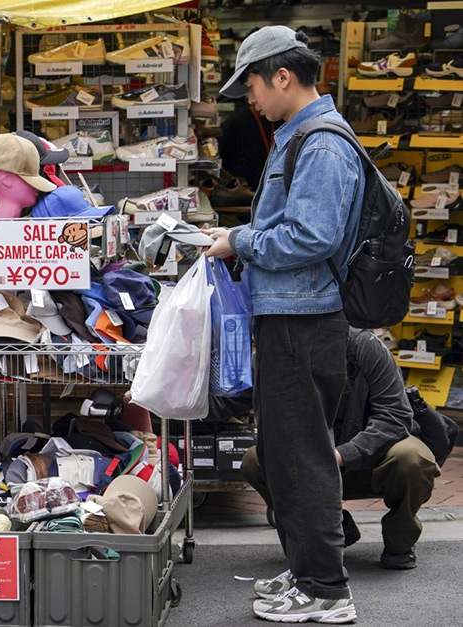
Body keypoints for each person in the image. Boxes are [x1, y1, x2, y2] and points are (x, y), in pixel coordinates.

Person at [204, 26, 365, 623]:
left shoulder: (320, 145)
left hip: (305, 319)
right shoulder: (300, 137)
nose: (250, 98)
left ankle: (326, 590)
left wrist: (237, 240)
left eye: (251, 84)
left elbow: (310, 235)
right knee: (280, 451)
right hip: (290, 315)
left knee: (302, 456)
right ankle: (306, 573)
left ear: (281, 76)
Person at [210, 328, 440, 572]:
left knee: (414, 458)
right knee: (256, 459)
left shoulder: (365, 347)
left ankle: (399, 541)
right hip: (310, 465)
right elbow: (225, 401)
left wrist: (343, 455)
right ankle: (330, 528)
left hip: (373, 459)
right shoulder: (279, 352)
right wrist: (186, 382)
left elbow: (395, 416)